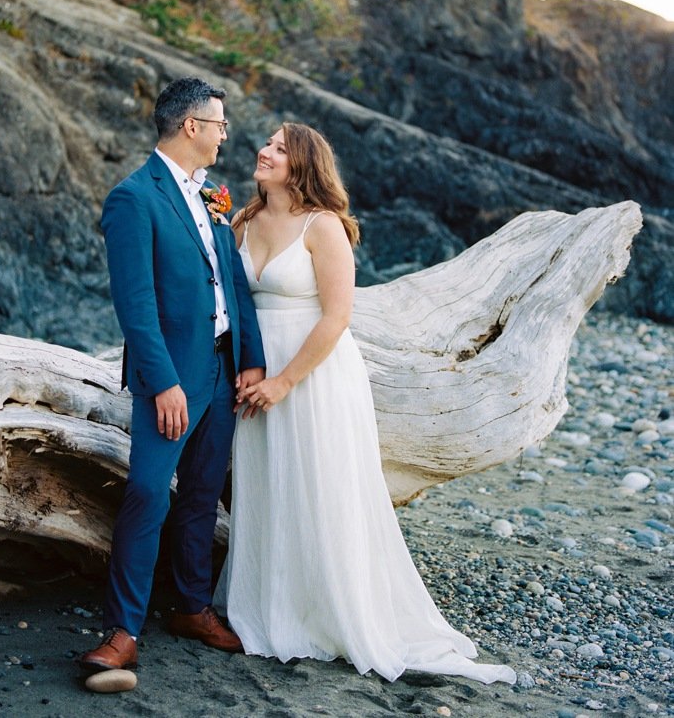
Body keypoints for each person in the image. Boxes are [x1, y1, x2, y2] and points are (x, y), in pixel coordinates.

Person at [218, 122, 516, 685]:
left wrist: (283, 382)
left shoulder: (323, 226)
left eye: (281, 148)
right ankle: (272, 606)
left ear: (303, 164)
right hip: (255, 371)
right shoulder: (244, 220)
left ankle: (333, 611)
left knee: (321, 486)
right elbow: (233, 299)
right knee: (271, 486)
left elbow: (337, 317)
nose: (265, 150)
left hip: (314, 376)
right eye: (268, 142)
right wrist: (251, 369)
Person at [78, 76, 266, 676]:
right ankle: (124, 629)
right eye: (219, 125)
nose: (224, 135)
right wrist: (162, 383)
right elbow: (134, 304)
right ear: (191, 127)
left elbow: (233, 284)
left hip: (221, 367)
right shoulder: (134, 198)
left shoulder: (211, 194)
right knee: (147, 493)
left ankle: (191, 606)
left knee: (204, 495)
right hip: (171, 376)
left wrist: (251, 358)